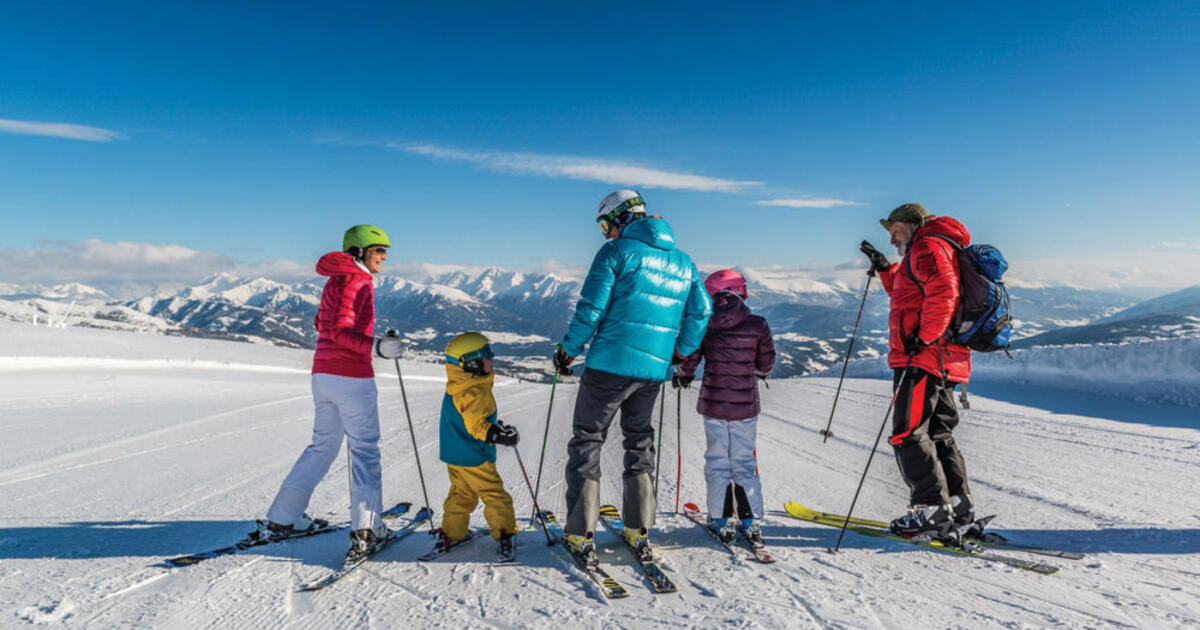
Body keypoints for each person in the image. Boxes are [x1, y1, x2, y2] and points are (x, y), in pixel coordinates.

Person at [552, 189, 711, 561]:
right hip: (652, 371)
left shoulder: (615, 253)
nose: (606, 234)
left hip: (608, 366)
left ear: (622, 217)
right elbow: (701, 311)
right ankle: (639, 527)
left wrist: (567, 352)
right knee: (639, 441)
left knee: (587, 441)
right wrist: (679, 352)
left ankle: (580, 533)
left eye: (606, 225)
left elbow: (591, 310)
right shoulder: (683, 262)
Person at [260, 225, 407, 562]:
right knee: (365, 450)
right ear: (358, 252)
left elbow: (321, 324)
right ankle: (367, 530)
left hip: (323, 374)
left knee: (323, 445)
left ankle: (283, 518)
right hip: (351, 377)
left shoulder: (335, 280)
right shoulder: (357, 281)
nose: (385, 256)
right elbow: (340, 331)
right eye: (378, 249)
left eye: (386, 249)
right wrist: (377, 347)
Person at [860, 203, 977, 539]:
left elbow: (944, 293)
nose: (892, 236)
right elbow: (909, 294)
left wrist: (922, 337)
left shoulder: (927, 245)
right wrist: (885, 269)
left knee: (908, 433)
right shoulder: (937, 246)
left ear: (913, 224)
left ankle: (929, 510)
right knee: (938, 433)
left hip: (923, 357)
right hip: (944, 358)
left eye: (895, 229)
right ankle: (958, 507)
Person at [674, 269, 775, 546]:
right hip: (745, 408)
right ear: (739, 291)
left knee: (718, 462)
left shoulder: (705, 324)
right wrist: (753, 370)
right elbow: (765, 365)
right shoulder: (758, 324)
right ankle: (750, 520)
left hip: (714, 407)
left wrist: (682, 377)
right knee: (744, 462)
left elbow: (690, 360)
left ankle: (719, 519)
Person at [433, 332, 519, 558]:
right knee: (494, 494)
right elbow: (476, 425)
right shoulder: (476, 390)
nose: (492, 359)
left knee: (461, 494)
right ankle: (504, 533)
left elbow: (467, 418)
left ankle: (452, 533)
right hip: (474, 456)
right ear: (471, 363)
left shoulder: (456, 386)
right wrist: (497, 435)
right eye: (487, 355)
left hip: (454, 455)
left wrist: (493, 426)